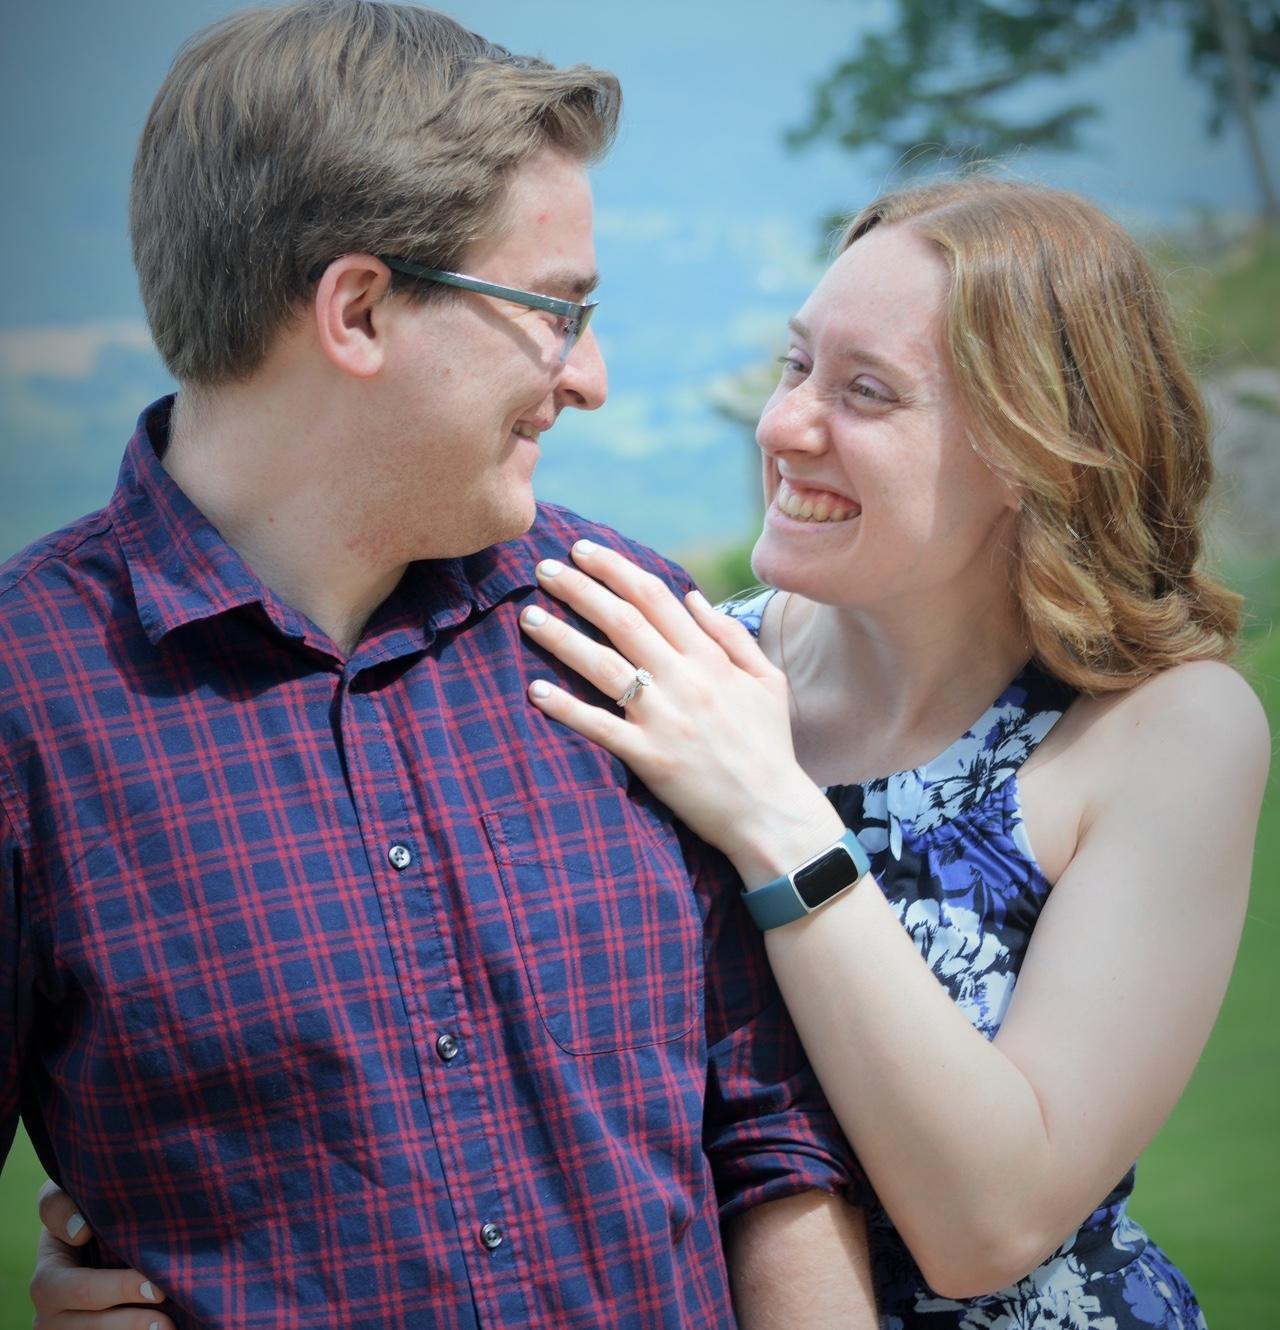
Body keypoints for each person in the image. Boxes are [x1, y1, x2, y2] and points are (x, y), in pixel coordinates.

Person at [4, 4, 874, 1328]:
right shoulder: (27, 702)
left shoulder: (626, 624)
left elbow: (769, 1139)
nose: (589, 377)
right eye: (558, 311)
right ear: (358, 310)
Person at [502, 179, 1270, 1327]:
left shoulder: (1162, 731)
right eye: (795, 365)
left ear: (1039, 455)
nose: (783, 427)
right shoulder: (691, 679)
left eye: (866, 392)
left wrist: (776, 817)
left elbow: (990, 1226)